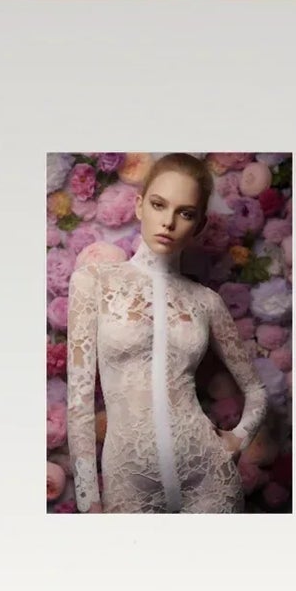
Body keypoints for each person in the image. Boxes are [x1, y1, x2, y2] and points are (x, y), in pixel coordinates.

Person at [65, 153, 268, 514]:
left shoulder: (207, 301)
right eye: (159, 205)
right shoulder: (94, 282)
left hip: (208, 476)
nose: (169, 222)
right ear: (140, 206)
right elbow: (79, 404)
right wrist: (88, 502)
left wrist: (237, 440)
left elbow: (257, 390)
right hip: (129, 480)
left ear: (200, 224)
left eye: (185, 213)